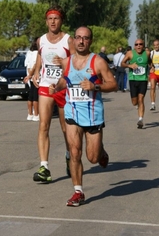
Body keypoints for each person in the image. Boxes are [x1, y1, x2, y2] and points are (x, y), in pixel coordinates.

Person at [49, 26, 117, 206]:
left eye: (85, 38)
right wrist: (57, 87)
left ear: (90, 41)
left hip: (93, 114)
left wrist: (95, 87)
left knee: (93, 158)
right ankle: (78, 192)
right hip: (72, 111)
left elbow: (113, 84)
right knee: (74, 152)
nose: (81, 41)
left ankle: (101, 152)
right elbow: (66, 79)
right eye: (78, 38)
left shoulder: (98, 62)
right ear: (74, 40)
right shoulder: (66, 62)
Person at [27, 5, 75, 182]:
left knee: (65, 128)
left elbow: (76, 60)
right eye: (50, 19)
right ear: (46, 21)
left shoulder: (68, 40)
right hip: (46, 86)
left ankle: (70, 156)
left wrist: (63, 62)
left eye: (56, 18)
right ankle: (44, 167)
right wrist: (36, 72)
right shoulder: (41, 40)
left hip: (63, 87)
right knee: (43, 125)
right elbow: (40, 56)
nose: (53, 22)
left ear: (61, 20)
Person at [121, 39, 151, 129]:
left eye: (140, 44)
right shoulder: (130, 53)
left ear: (143, 45)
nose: (138, 46)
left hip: (143, 80)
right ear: (134, 46)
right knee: (134, 102)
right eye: (136, 44)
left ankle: (140, 119)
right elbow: (122, 63)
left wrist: (152, 67)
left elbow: (149, 61)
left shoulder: (147, 53)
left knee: (141, 99)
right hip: (133, 79)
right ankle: (137, 105)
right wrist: (129, 65)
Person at [24, 38, 39, 121]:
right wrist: (30, 75)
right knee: (36, 97)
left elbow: (27, 65)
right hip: (35, 78)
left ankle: (30, 114)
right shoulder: (37, 53)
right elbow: (35, 65)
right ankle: (36, 114)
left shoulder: (29, 53)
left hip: (30, 77)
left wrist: (28, 74)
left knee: (31, 97)